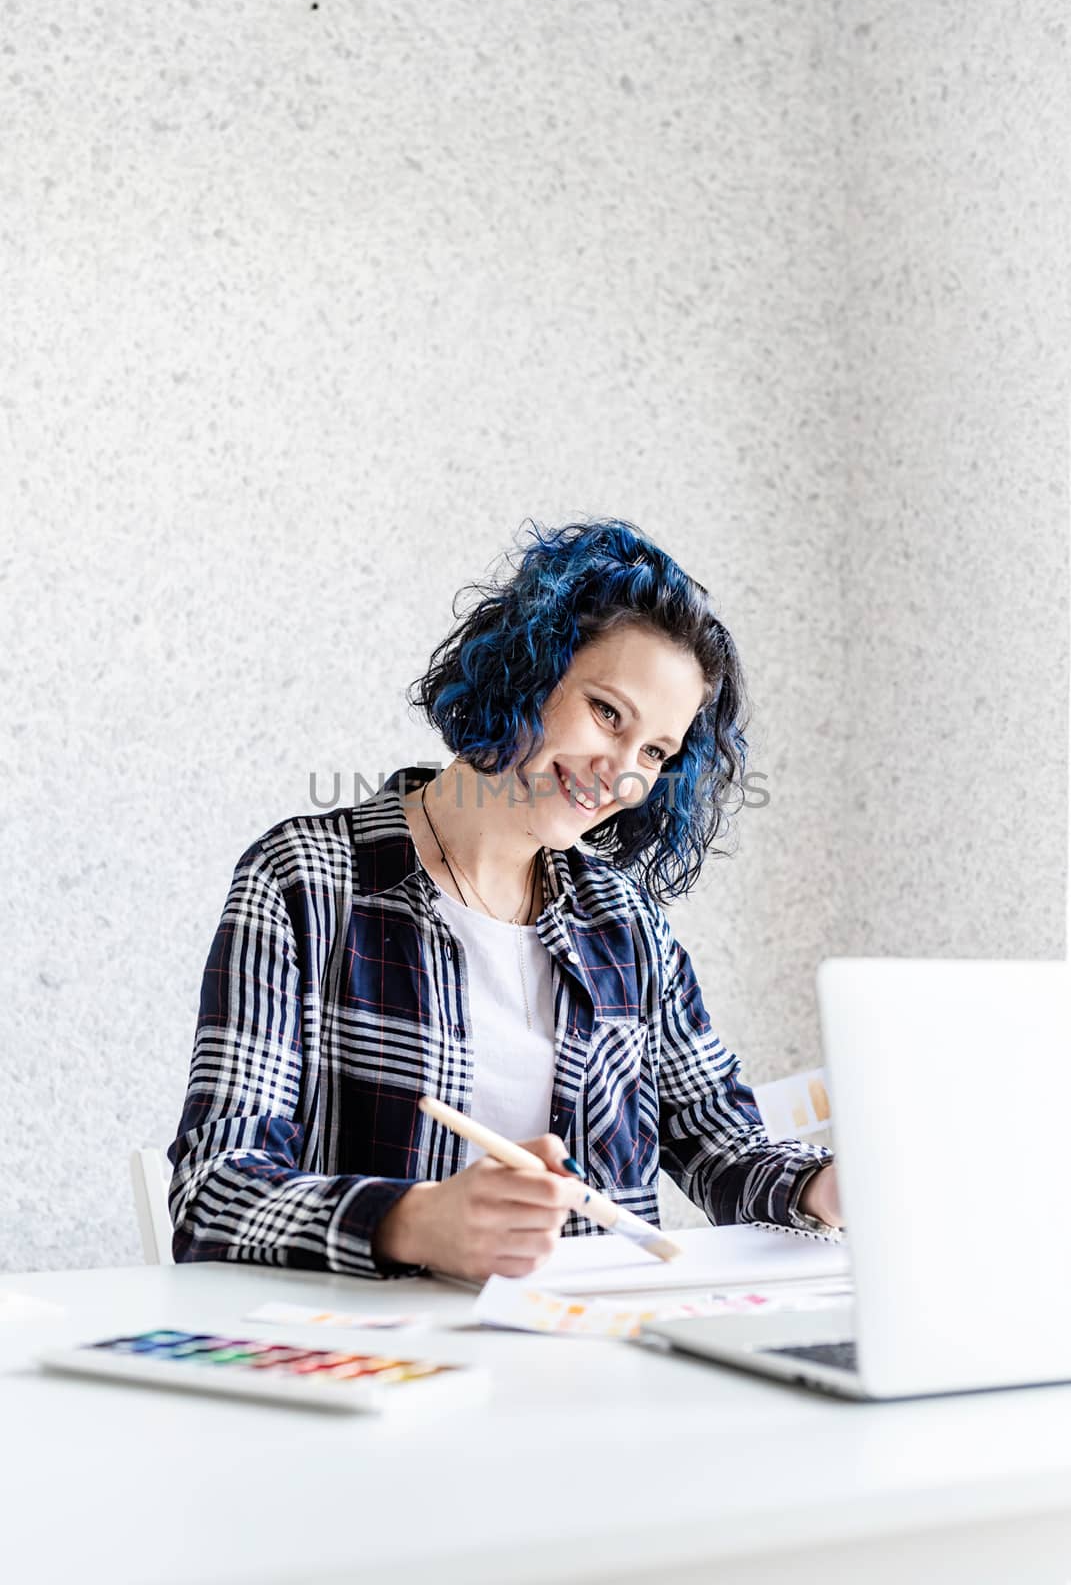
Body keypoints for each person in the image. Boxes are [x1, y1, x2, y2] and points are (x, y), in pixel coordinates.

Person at [168, 518, 841, 1282]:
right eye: (607, 713)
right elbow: (212, 1192)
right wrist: (415, 1223)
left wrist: (826, 1186)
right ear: (527, 669)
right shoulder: (306, 881)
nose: (619, 771)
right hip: (381, 1359)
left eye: (654, 752)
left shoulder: (623, 925)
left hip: (598, 1362)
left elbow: (721, 1144)